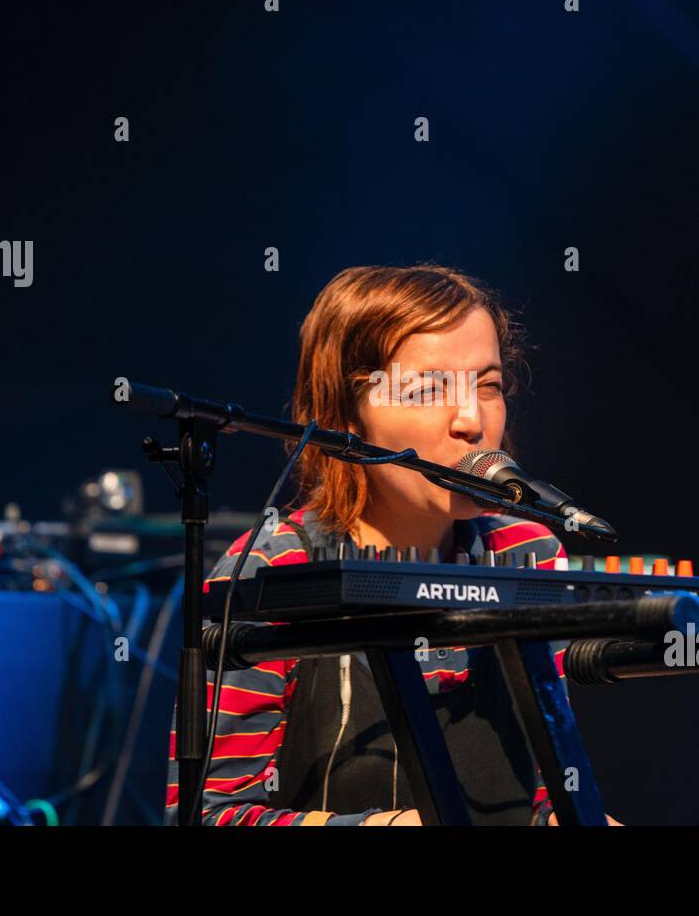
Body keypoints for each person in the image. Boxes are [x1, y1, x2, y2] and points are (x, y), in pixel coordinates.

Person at [165, 264, 618, 825]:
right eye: (429, 389)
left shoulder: (527, 553)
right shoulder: (272, 567)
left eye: (489, 385)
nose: (471, 420)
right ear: (343, 416)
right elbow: (205, 815)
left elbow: (550, 780)